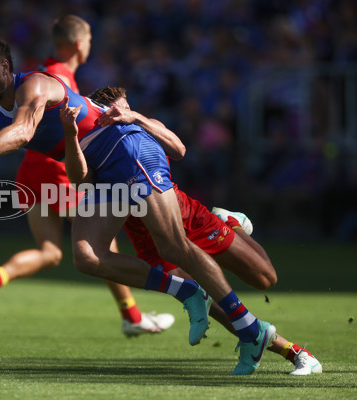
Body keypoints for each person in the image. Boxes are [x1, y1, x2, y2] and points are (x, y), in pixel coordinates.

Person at [0, 38, 274, 375]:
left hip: (123, 147)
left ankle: (248, 329)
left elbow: (23, 133)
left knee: (173, 247)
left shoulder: (34, 85)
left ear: (5, 67)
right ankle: (187, 291)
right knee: (87, 256)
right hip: (97, 173)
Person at [63, 85, 322, 376]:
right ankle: (294, 352)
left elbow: (179, 149)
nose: (118, 114)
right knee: (214, 301)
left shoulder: (143, 125)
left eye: (123, 107)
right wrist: (72, 136)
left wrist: (136, 117)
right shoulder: (95, 148)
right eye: (111, 111)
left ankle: (231, 223)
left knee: (264, 278)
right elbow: (82, 184)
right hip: (149, 240)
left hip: (187, 216)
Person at [0, 15, 175, 336]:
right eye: (90, 39)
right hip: (58, 171)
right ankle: (133, 316)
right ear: (81, 44)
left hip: (31, 174)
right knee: (101, 243)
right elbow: (49, 130)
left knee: (50, 253)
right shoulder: (53, 76)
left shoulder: (47, 72)